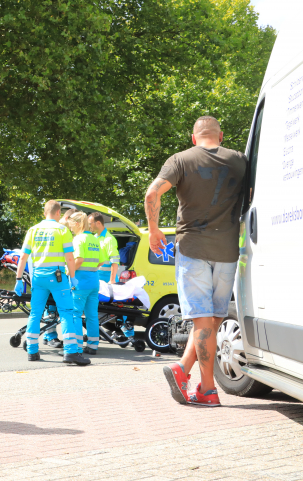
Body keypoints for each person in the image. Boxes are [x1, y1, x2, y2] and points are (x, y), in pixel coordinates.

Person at [145, 116, 246, 407]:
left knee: (202, 320)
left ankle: (208, 389)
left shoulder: (180, 160)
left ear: (193, 137)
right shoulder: (240, 160)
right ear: (221, 136)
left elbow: (152, 193)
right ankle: (181, 370)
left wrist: (154, 230)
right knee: (213, 319)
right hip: (228, 250)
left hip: (193, 248)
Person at [14, 200, 90, 365]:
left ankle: (33, 352)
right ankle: (70, 353)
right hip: (58, 278)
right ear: (58, 213)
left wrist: (18, 279)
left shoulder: (33, 230)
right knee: (66, 313)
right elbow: (70, 257)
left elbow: (23, 257)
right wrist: (73, 276)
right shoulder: (62, 230)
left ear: (44, 212)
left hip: (38, 278)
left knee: (35, 313)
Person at [89, 212, 133, 341]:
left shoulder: (109, 239)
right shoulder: (93, 238)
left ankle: (129, 336)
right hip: (97, 279)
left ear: (98, 223)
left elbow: (115, 262)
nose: (89, 226)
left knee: (120, 310)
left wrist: (112, 280)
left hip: (107, 279)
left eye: (90, 223)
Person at [66, 212, 102, 354]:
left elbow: (79, 259)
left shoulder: (78, 239)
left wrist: (69, 271)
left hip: (80, 281)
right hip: (94, 279)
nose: (70, 228)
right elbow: (101, 261)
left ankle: (77, 346)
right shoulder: (94, 239)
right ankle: (93, 346)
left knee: (75, 313)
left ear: (77, 223)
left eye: (70, 224)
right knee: (92, 315)